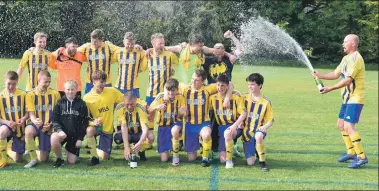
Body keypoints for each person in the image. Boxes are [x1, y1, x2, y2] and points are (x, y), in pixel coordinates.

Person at [312, 34, 368, 168]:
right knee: (341, 125)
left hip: (355, 98)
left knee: (349, 127)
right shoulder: (345, 58)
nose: (343, 44)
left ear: (353, 44)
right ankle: (351, 152)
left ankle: (361, 157)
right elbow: (336, 74)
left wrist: (330, 88)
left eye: (345, 42)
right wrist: (320, 76)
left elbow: (348, 79)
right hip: (347, 99)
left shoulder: (356, 58)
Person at [203, 30, 244, 158]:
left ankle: (232, 145)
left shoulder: (228, 60)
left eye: (222, 48)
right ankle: (212, 147)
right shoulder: (208, 60)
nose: (219, 50)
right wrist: (215, 51)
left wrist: (231, 37)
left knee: (230, 120)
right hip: (213, 95)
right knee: (213, 122)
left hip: (228, 93)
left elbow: (240, 49)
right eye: (217, 48)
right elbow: (201, 48)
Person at [180, 69, 232, 167]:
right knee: (191, 159)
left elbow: (230, 84)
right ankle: (203, 146)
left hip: (204, 123)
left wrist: (227, 98)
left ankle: (205, 157)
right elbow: (170, 85)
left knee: (207, 134)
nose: (193, 81)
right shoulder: (185, 88)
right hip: (190, 124)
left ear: (203, 81)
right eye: (192, 79)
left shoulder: (208, 89)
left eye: (196, 80)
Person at [83, 70, 124, 166]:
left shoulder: (112, 91)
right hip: (97, 127)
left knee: (105, 157)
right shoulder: (87, 98)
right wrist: (94, 122)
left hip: (107, 129)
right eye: (100, 82)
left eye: (104, 82)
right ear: (93, 82)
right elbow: (85, 117)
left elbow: (124, 100)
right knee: (89, 130)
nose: (103, 84)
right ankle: (94, 156)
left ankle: (93, 148)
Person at [236, 73, 274, 172]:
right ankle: (256, 151)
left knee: (259, 136)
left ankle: (262, 162)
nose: (249, 86)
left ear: (260, 85)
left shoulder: (266, 102)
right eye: (248, 84)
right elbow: (239, 111)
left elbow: (271, 120)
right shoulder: (243, 97)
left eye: (252, 84)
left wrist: (264, 127)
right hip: (246, 133)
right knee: (250, 162)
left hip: (258, 130)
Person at [24, 71, 61, 168]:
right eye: (45, 82)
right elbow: (31, 114)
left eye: (49, 82)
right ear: (38, 80)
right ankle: (33, 159)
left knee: (44, 159)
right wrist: (35, 121)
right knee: (28, 131)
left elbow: (57, 114)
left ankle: (32, 149)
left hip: (48, 126)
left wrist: (51, 124)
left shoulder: (55, 94)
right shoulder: (30, 94)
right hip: (35, 124)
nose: (47, 84)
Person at [209, 74, 246, 168]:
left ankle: (229, 162)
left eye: (222, 86)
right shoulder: (213, 98)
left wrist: (235, 125)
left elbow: (244, 113)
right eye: (218, 85)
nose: (219, 88)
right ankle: (230, 148)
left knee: (227, 133)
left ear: (227, 86)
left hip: (235, 127)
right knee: (222, 160)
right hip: (221, 127)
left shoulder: (236, 97)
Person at [148, 78, 186, 166]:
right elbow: (149, 110)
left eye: (173, 91)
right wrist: (157, 107)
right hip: (163, 127)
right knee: (164, 159)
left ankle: (175, 155)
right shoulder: (160, 97)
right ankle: (170, 147)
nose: (171, 93)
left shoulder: (180, 97)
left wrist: (183, 112)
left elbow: (184, 115)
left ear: (177, 90)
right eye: (168, 91)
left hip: (176, 123)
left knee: (174, 131)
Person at [51, 80, 89, 167]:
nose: (70, 92)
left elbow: (84, 123)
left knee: (72, 161)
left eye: (72, 89)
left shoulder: (82, 104)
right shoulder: (59, 103)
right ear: (64, 90)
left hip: (74, 136)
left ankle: (70, 150)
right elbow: (55, 120)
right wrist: (59, 130)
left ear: (76, 90)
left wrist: (80, 139)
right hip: (62, 134)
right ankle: (59, 158)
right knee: (53, 137)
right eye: (68, 89)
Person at [77, 29, 119, 94]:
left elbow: (123, 50)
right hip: (91, 82)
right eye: (92, 41)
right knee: (89, 101)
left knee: (107, 101)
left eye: (96, 42)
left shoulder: (108, 47)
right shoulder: (86, 47)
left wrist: (135, 47)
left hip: (106, 82)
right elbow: (72, 51)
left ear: (102, 40)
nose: (94, 43)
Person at [0, 71, 28, 168]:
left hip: (20, 129)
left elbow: (29, 112)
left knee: (18, 160)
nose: (11, 86)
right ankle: (3, 159)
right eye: (9, 84)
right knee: (2, 131)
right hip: (6, 127)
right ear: (5, 81)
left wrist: (24, 119)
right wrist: (7, 122)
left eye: (14, 84)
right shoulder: (0, 96)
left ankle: (8, 150)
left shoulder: (24, 95)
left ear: (17, 82)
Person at [114, 91, 151, 162]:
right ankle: (129, 152)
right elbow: (123, 126)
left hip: (139, 133)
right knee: (118, 138)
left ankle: (141, 151)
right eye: (127, 104)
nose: (130, 107)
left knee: (150, 137)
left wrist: (140, 142)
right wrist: (126, 147)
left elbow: (145, 128)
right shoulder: (120, 108)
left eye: (132, 104)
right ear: (124, 101)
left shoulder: (141, 108)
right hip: (128, 133)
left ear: (136, 100)